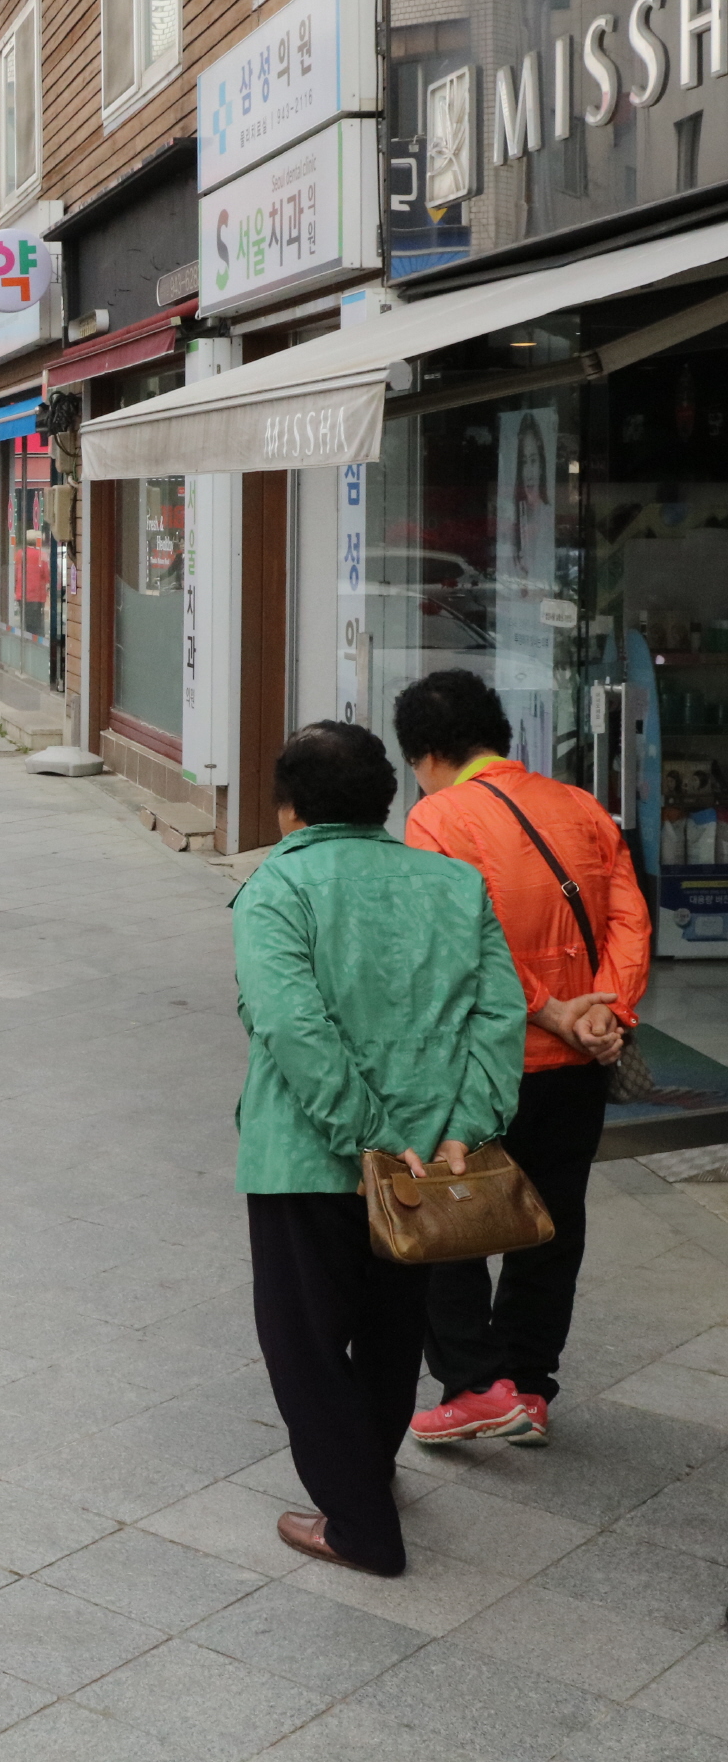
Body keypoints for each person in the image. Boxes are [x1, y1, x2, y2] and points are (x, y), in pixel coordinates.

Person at [232, 720, 524, 1577]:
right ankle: (373, 1470)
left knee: (305, 1342)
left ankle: (357, 1524)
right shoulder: (454, 885)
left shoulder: (277, 888)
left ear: (286, 806)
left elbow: (292, 1024)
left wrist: (365, 1139)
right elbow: (500, 1019)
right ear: (387, 800)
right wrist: (464, 1127)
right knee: (393, 1329)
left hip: (305, 1161)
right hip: (434, 1164)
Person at [392, 667, 647, 1448]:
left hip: (487, 1064)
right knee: (553, 1224)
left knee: (448, 1216)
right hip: (580, 1069)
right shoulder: (580, 808)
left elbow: (465, 944)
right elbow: (630, 919)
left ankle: (474, 1384)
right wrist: (604, 1012)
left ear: (427, 753)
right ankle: (531, 1387)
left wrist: (547, 1011)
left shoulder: (439, 818)